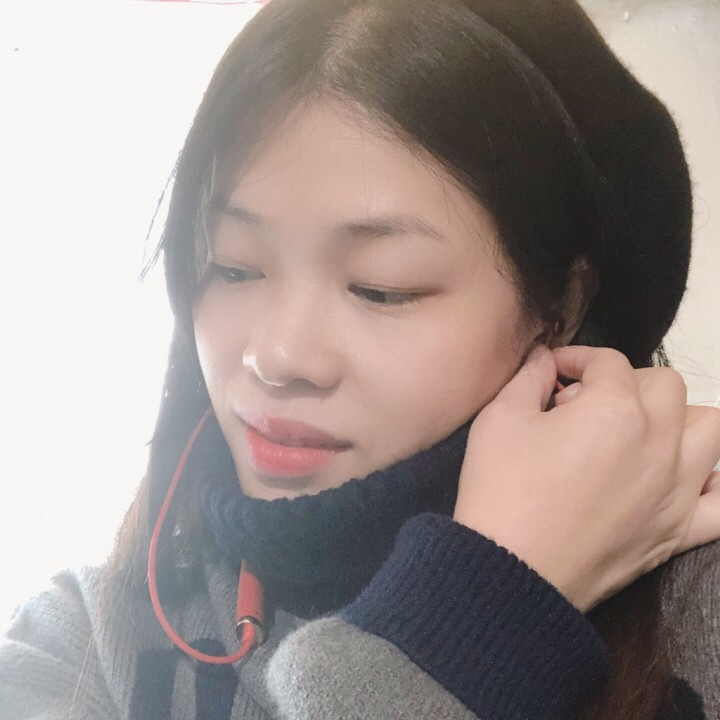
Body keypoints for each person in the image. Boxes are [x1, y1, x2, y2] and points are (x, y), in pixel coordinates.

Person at [2, 0, 719, 718]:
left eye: (382, 288)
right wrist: (480, 615)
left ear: (560, 308)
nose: (277, 355)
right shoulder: (77, 644)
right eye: (233, 266)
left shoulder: (701, 610)